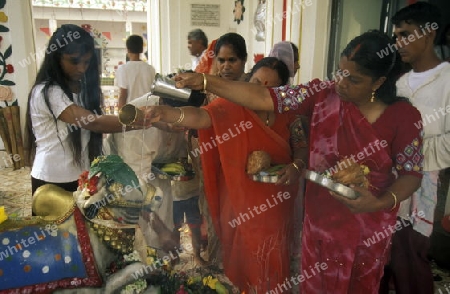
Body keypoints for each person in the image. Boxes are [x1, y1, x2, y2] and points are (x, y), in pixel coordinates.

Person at [170, 30, 424, 293]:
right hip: (320, 223)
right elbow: (263, 97)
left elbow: (412, 174)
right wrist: (205, 80)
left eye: (354, 79)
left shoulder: (404, 117)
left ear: (379, 81)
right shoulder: (322, 95)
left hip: (367, 227)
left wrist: (381, 201)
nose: (341, 83)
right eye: (340, 72)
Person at [145, 56, 306, 292]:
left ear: (282, 91)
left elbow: (301, 145)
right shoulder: (231, 105)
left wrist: (297, 165)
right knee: (242, 261)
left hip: (277, 201)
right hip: (238, 199)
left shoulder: (290, 112)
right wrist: (166, 113)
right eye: (256, 82)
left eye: (270, 87)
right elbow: (201, 117)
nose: (261, 90)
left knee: (271, 259)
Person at [25, 24, 150, 197]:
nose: (82, 68)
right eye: (74, 61)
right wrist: (140, 121)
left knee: (82, 224)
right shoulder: (47, 92)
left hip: (81, 176)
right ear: (56, 57)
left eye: (86, 62)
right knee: (58, 224)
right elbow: (94, 122)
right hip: (52, 180)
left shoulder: (81, 88)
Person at [378, 3, 450, 294]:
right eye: (396, 36)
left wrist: (412, 154)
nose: (398, 43)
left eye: (405, 34)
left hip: (428, 184)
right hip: (390, 181)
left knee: (411, 256)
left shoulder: (446, 79)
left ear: (429, 34)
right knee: (383, 256)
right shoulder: (399, 82)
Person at [115, 35, 156, 108]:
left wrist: (120, 116)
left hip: (131, 112)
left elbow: (123, 96)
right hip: (148, 111)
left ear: (127, 50)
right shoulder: (150, 69)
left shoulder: (123, 69)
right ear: (142, 49)